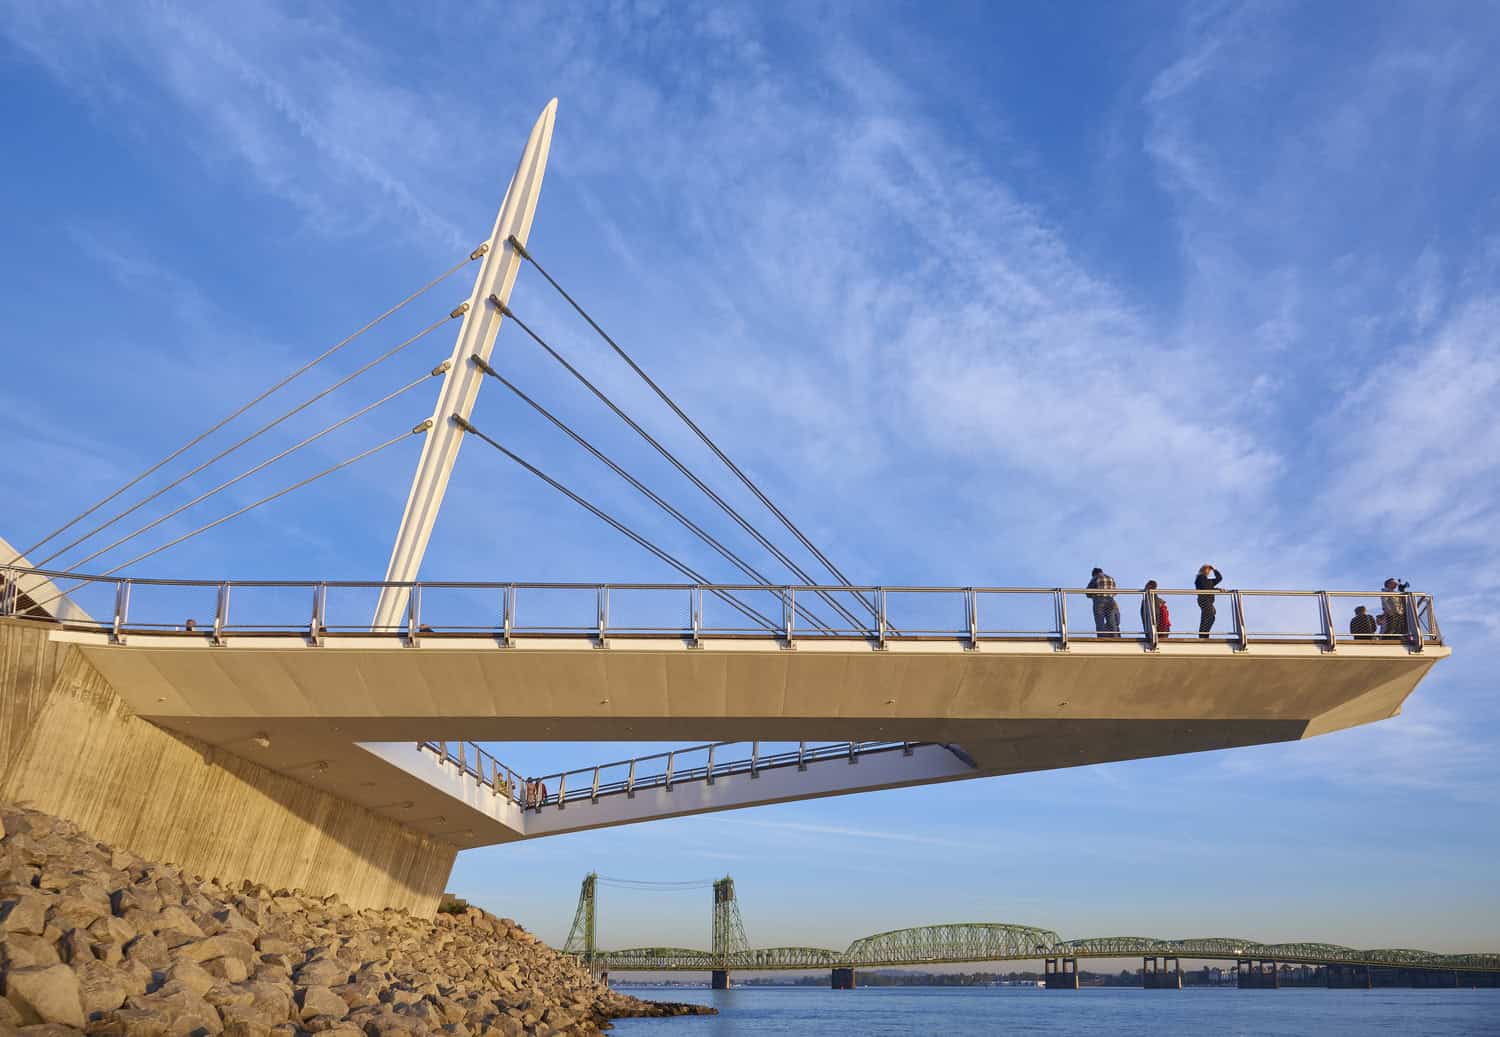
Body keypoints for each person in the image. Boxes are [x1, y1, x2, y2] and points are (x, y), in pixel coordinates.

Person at [1087, 567, 1120, 637]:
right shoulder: (1111, 578)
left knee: (1100, 621)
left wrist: (1093, 595)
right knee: (1111, 621)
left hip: (1099, 601)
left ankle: (1101, 637)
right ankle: (1115, 637)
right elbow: (1115, 592)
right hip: (1111, 600)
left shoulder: (1095, 578)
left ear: (1094, 574)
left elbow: (1088, 592)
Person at [1194, 565, 1223, 639]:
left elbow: (1219, 578)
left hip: (1208, 601)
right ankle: (1203, 635)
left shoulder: (1208, 580)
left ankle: (1204, 635)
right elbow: (1205, 587)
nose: (1208, 572)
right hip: (1204, 599)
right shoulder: (1200, 578)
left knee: (1208, 617)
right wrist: (1216, 589)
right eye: (1208, 570)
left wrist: (1214, 570)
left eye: (1209, 570)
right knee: (1209, 616)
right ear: (1203, 570)